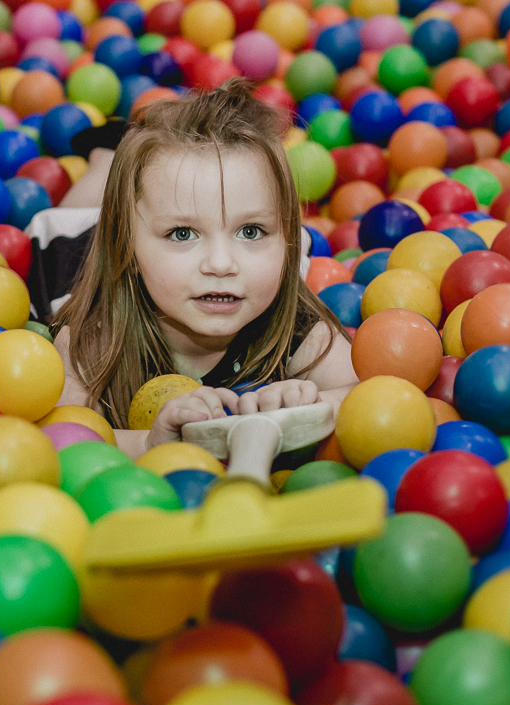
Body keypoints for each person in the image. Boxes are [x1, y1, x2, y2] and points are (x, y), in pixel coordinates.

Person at [48, 80, 359, 460]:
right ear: (126, 244)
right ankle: (105, 153)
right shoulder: (90, 337)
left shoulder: (297, 325)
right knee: (72, 218)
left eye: (251, 231)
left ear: (287, 238)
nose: (221, 264)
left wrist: (309, 406)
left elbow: (367, 395)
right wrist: (147, 444)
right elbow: (67, 439)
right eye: (182, 233)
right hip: (74, 256)